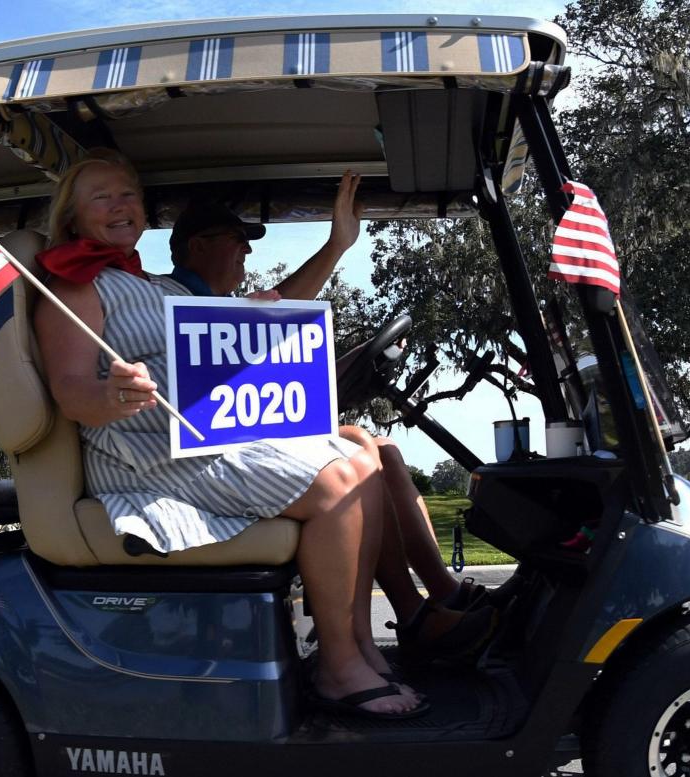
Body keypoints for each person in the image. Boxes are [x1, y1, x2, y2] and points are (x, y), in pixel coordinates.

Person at [31, 149, 425, 719]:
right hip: (145, 453)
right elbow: (71, 390)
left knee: (363, 456)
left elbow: (276, 311)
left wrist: (335, 246)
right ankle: (339, 667)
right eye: (103, 196)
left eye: (129, 195)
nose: (121, 205)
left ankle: (360, 645)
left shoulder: (159, 288)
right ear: (73, 216)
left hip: (203, 441)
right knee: (338, 481)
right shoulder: (74, 288)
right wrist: (111, 393)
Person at [165, 183, 497, 663]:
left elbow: (285, 307)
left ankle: (443, 593)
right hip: (209, 462)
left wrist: (338, 244)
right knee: (358, 459)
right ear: (196, 246)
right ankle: (411, 614)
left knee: (380, 447)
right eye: (235, 238)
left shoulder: (225, 312)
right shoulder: (173, 303)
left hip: (245, 444)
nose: (247, 248)